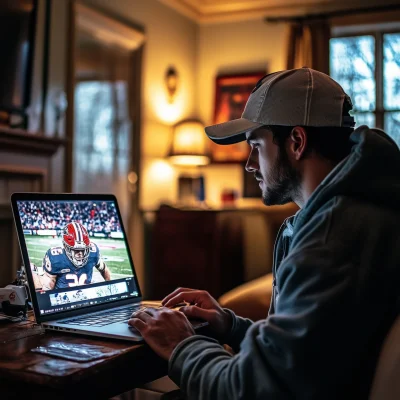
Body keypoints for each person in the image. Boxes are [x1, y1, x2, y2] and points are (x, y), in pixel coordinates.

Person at [128, 67, 400, 399]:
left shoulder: (332, 238)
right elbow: (308, 352)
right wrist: (230, 325)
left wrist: (183, 343)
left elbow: (251, 390)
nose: (250, 164)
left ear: (297, 142)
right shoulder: (350, 215)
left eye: (256, 146)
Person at [36, 221, 111, 290]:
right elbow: (48, 288)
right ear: (66, 247)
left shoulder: (93, 252)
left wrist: (109, 286)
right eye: (76, 250)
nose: (80, 253)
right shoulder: (56, 259)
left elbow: (104, 269)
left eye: (83, 250)